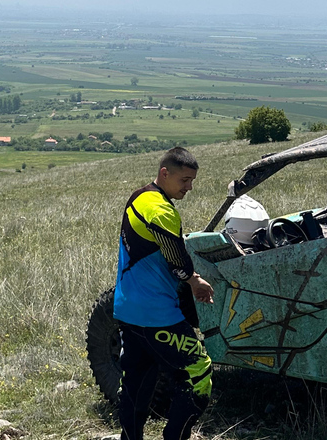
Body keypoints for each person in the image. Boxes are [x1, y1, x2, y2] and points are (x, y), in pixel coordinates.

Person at [114, 147, 215, 440]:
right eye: (184, 180)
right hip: (157, 314)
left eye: (192, 180)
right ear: (164, 173)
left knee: (136, 383)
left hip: (127, 308)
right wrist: (195, 280)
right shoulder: (161, 210)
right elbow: (177, 258)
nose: (189, 187)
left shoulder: (139, 197)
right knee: (199, 372)